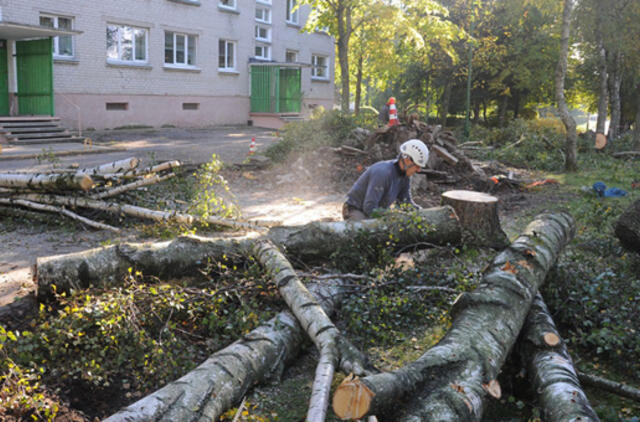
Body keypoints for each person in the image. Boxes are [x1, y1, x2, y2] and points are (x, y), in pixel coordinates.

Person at [342, 139, 429, 221]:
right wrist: (392, 215)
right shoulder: (382, 173)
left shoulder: (405, 176)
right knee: (368, 230)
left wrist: (421, 212)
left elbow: (405, 202)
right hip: (355, 209)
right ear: (407, 160)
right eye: (417, 166)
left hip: (376, 210)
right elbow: (369, 207)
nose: (418, 170)